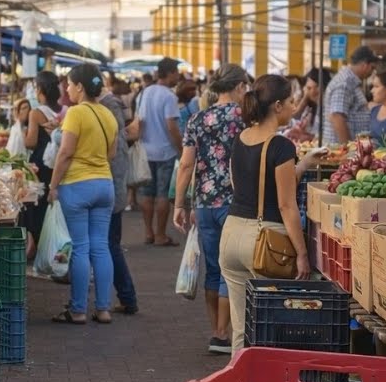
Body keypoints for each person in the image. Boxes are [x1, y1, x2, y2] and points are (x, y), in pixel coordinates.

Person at [218, 75, 318, 350]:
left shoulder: (241, 138)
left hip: (232, 234)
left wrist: (304, 163)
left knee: (241, 329)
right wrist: (301, 253)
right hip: (265, 242)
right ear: (276, 105)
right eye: (290, 101)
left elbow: (246, 186)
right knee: (268, 328)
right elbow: (286, 205)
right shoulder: (281, 146)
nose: (293, 106)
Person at [173, 64, 250, 355]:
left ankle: (216, 332)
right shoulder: (245, 119)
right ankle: (227, 333)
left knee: (214, 268)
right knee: (233, 269)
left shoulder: (197, 119)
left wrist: (180, 203)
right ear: (240, 86)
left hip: (204, 204)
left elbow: (185, 165)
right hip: (236, 202)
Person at [48, 64, 119, 325]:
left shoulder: (76, 113)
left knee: (80, 248)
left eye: (69, 84)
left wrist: (53, 185)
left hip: (77, 185)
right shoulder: (108, 114)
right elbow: (111, 154)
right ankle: (103, 309)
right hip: (105, 185)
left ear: (79, 87)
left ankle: (77, 310)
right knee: (101, 246)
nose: (67, 89)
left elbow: (65, 152)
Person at [132, 57, 182, 247]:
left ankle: (148, 232)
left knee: (146, 193)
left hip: (146, 151)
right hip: (165, 153)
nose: (178, 76)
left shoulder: (144, 93)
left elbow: (139, 122)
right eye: (176, 72)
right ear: (169, 73)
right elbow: (172, 126)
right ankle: (161, 235)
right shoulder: (169, 96)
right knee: (162, 194)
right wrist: (181, 148)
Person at [99, 81, 138, 315]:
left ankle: (126, 297)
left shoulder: (108, 120)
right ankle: (125, 297)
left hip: (110, 192)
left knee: (108, 245)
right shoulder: (116, 125)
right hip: (113, 191)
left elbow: (113, 162)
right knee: (109, 245)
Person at [22, 71, 62, 259]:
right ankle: (53, 246)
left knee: (35, 206)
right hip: (58, 163)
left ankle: (38, 246)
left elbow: (30, 142)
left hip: (40, 164)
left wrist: (22, 132)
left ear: (40, 91)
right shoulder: (66, 111)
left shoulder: (36, 113)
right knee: (53, 204)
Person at [321, 45, 378, 145]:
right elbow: (337, 116)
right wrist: (347, 147)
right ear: (365, 65)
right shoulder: (345, 83)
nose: (372, 72)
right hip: (340, 151)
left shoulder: (350, 82)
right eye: (372, 68)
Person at [286, 67, 334, 144]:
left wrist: (305, 136)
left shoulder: (327, 107)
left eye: (308, 88)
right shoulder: (317, 105)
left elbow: (328, 137)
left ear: (319, 87)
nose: (305, 91)